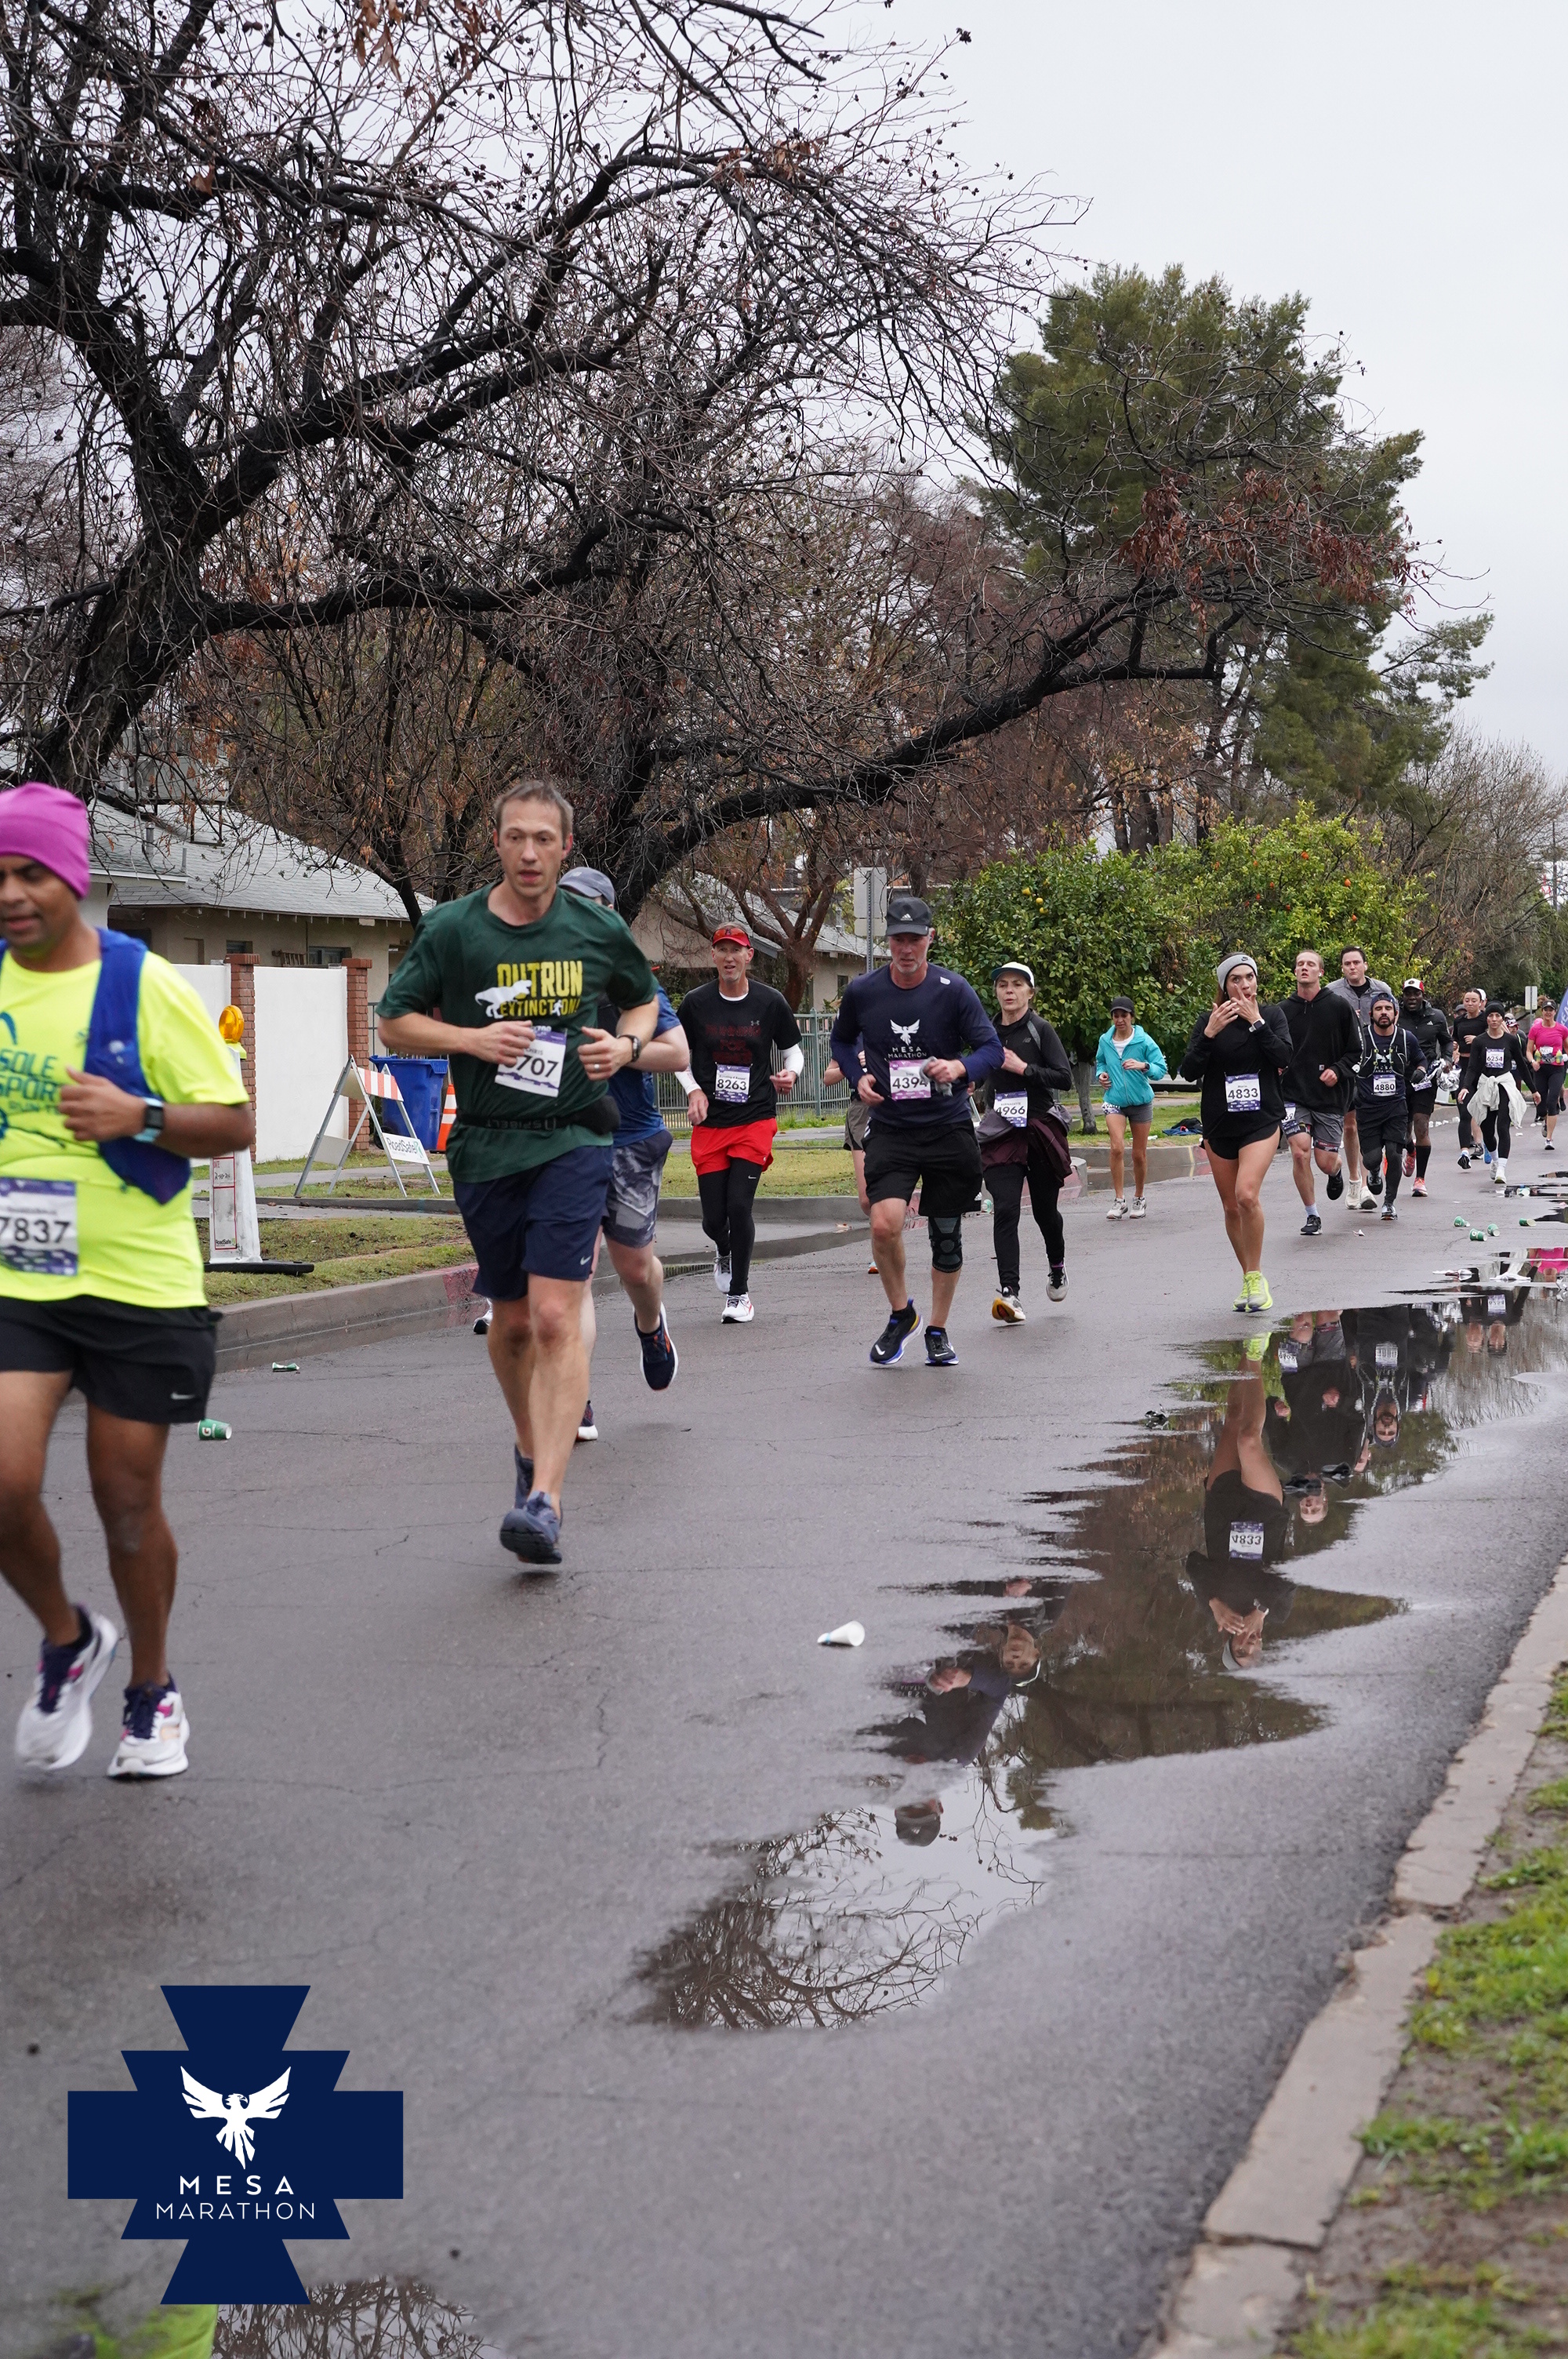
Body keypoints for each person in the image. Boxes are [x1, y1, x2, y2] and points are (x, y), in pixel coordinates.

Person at [0, 783, 254, 1779]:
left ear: (72, 878)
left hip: (138, 1281)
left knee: (124, 1500)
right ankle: (69, 1640)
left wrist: (137, 1115)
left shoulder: (139, 983)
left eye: (30, 873)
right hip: (21, 1276)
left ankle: (152, 1687)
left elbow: (233, 1122)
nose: (11, 894)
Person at [378, 778, 661, 1568]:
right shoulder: (452, 929)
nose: (529, 852)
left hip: (572, 1139)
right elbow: (394, 1021)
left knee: (554, 1318)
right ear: (497, 842)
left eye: (544, 838)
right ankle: (529, 1447)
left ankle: (546, 1500)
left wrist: (626, 1046)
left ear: (565, 847)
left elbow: (641, 1001)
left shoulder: (595, 928)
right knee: (509, 1326)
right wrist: (471, 1040)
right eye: (515, 837)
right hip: (486, 1144)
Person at [827, 892, 1002, 1367]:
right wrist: (857, 1075)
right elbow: (841, 1041)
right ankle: (902, 1314)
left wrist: (959, 1067)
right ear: (888, 942)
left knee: (946, 1236)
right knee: (883, 1223)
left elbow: (991, 1049)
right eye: (898, 940)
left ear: (930, 939)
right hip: (893, 1128)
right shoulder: (864, 991)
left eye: (915, 939)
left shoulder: (953, 990)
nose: (906, 949)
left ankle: (938, 1329)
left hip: (947, 1129)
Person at [557, 867, 686, 1437]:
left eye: (586, 906)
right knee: (574, 1276)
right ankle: (575, 1396)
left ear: (608, 914)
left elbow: (678, 1052)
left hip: (630, 1141)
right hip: (565, 1143)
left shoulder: (631, 979)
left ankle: (651, 1324)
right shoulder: (540, 978)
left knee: (635, 1267)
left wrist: (623, 1051)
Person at [675, 924, 804, 1325]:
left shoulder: (770, 1002)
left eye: (737, 950)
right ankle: (724, 1248)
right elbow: (677, 1055)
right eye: (722, 950)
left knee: (738, 1204)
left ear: (749, 956)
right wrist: (694, 1091)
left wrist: (792, 1074)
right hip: (711, 1122)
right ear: (713, 956)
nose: (729, 957)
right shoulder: (695, 1004)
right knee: (714, 1220)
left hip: (754, 1118)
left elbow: (794, 1052)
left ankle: (739, 1295)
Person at [1179, 954, 1292, 1314]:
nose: (1244, 985)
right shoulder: (1208, 1020)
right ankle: (1248, 1278)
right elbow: (1188, 1071)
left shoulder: (1272, 1015)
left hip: (1261, 1121)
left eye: (1249, 978)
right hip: (1220, 1124)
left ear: (1256, 981)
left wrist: (1257, 1023)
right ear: (1224, 985)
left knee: (1246, 1195)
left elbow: (1284, 1057)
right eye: (1235, 979)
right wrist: (1209, 1034)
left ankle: (1256, 1277)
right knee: (1230, 1206)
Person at [976, 960, 1073, 1323]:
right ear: (996, 992)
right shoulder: (987, 1032)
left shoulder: (1040, 1029)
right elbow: (978, 1070)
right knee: (1005, 1208)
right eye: (1003, 985)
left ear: (1030, 992)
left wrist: (1024, 1069)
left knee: (1046, 1212)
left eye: (1017, 985)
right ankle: (1010, 1293)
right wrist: (967, 1080)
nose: (1009, 991)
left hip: (1040, 1129)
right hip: (1002, 1131)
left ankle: (1057, 1265)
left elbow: (1064, 1078)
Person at [1183, 1369, 1295, 1671]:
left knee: (1233, 1420)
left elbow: (1193, 1562)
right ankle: (1255, 1356)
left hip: (1222, 1507)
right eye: (1253, 1652)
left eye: (1240, 1651)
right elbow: (1290, 1576)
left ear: (1230, 1645)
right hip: (1265, 1512)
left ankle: (1244, 1354)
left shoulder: (1214, 1609)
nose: (1248, 1645)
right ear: (1261, 1646)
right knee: (1248, 1440)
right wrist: (1261, 1608)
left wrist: (1214, 1601)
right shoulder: (1278, 1610)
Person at [1280, 949, 1359, 1235]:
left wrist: (1338, 1071)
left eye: (1310, 964)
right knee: (1299, 1152)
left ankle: (1336, 1170)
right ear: (1295, 971)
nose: (1304, 968)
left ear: (1321, 972)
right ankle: (1312, 1214)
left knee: (1324, 1162)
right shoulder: (1282, 1010)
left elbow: (1356, 1052)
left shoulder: (1338, 1007)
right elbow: (1272, 1048)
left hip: (1329, 1097)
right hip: (1293, 1095)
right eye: (1300, 964)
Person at [1349, 989, 1430, 1222]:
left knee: (1394, 1155)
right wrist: (1351, 1086)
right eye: (1378, 1009)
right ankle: (1374, 1171)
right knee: (1372, 1158)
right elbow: (1347, 1061)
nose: (1383, 1013)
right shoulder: (1361, 1038)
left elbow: (1421, 1059)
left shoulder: (1406, 1038)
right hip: (1367, 1108)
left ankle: (1389, 1203)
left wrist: (1420, 1070)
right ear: (1371, 1014)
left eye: (1388, 1009)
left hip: (1396, 1106)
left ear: (1395, 1013)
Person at [1093, 996, 1169, 1219]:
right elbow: (1101, 1062)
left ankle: (1139, 1197)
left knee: (1138, 1155)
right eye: (1115, 1016)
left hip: (1140, 1102)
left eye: (1124, 1015)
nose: (1119, 1020)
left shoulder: (1143, 1041)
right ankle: (1119, 1200)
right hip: (1114, 1099)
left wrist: (1143, 1065)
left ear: (1131, 1017)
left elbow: (1160, 1068)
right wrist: (1101, 1074)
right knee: (1117, 1148)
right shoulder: (1105, 1040)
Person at [1330, 946, 1393, 1207]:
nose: (1352, 967)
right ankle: (1356, 1181)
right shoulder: (1332, 992)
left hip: (1376, 1063)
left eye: (1356, 962)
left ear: (1365, 965)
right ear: (1342, 968)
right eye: (1347, 964)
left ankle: (1369, 1178)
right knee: (1350, 1125)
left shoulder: (1382, 989)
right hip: (1346, 1063)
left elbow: (1392, 1021)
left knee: (1370, 1122)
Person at [1455, 1001, 1538, 1188]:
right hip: (1486, 1085)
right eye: (1491, 1016)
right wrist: (1465, 1086)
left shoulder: (1510, 1040)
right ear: (1487, 1019)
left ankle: (1501, 1168)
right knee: (1487, 1129)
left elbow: (1522, 1065)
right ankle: (1494, 1159)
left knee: (1503, 1126)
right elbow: (1473, 1067)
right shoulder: (1480, 1041)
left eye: (1497, 1016)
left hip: (1504, 1084)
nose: (1494, 1019)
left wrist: (1534, 1090)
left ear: (1502, 1019)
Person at [1399, 979, 1452, 1195]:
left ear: (1423, 995)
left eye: (1416, 994)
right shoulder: (1395, 1015)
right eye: (1408, 994)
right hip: (1400, 1077)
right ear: (1403, 996)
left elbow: (1447, 1041)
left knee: (1421, 1125)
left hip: (1425, 1078)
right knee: (1401, 1131)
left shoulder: (1436, 1016)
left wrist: (1447, 1059)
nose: (1412, 998)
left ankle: (1420, 1179)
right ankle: (1410, 1150)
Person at [1450, 987, 1487, 1166]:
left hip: (1483, 1068)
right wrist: (1454, 1045)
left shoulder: (1486, 1019)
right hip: (1464, 1067)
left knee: (1486, 1112)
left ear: (1481, 1003)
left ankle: (1488, 1146)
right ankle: (1464, 1152)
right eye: (1467, 1000)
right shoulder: (1459, 1021)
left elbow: (1496, 1039)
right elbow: (1455, 1039)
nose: (1470, 1003)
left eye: (1474, 1000)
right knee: (1464, 1111)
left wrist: (1478, 1039)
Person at [1527, 1001, 1568, 1150]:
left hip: (1556, 1069)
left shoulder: (1562, 1029)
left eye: (1551, 1010)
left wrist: (1565, 1057)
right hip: (1540, 1069)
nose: (1548, 1013)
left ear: (1555, 1012)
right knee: (1541, 1106)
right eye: (1546, 1010)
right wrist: (1532, 1062)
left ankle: (1549, 1139)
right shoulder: (1535, 1029)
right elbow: (1528, 1050)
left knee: (1552, 1102)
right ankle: (1546, 1121)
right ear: (1542, 1012)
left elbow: (1567, 1047)